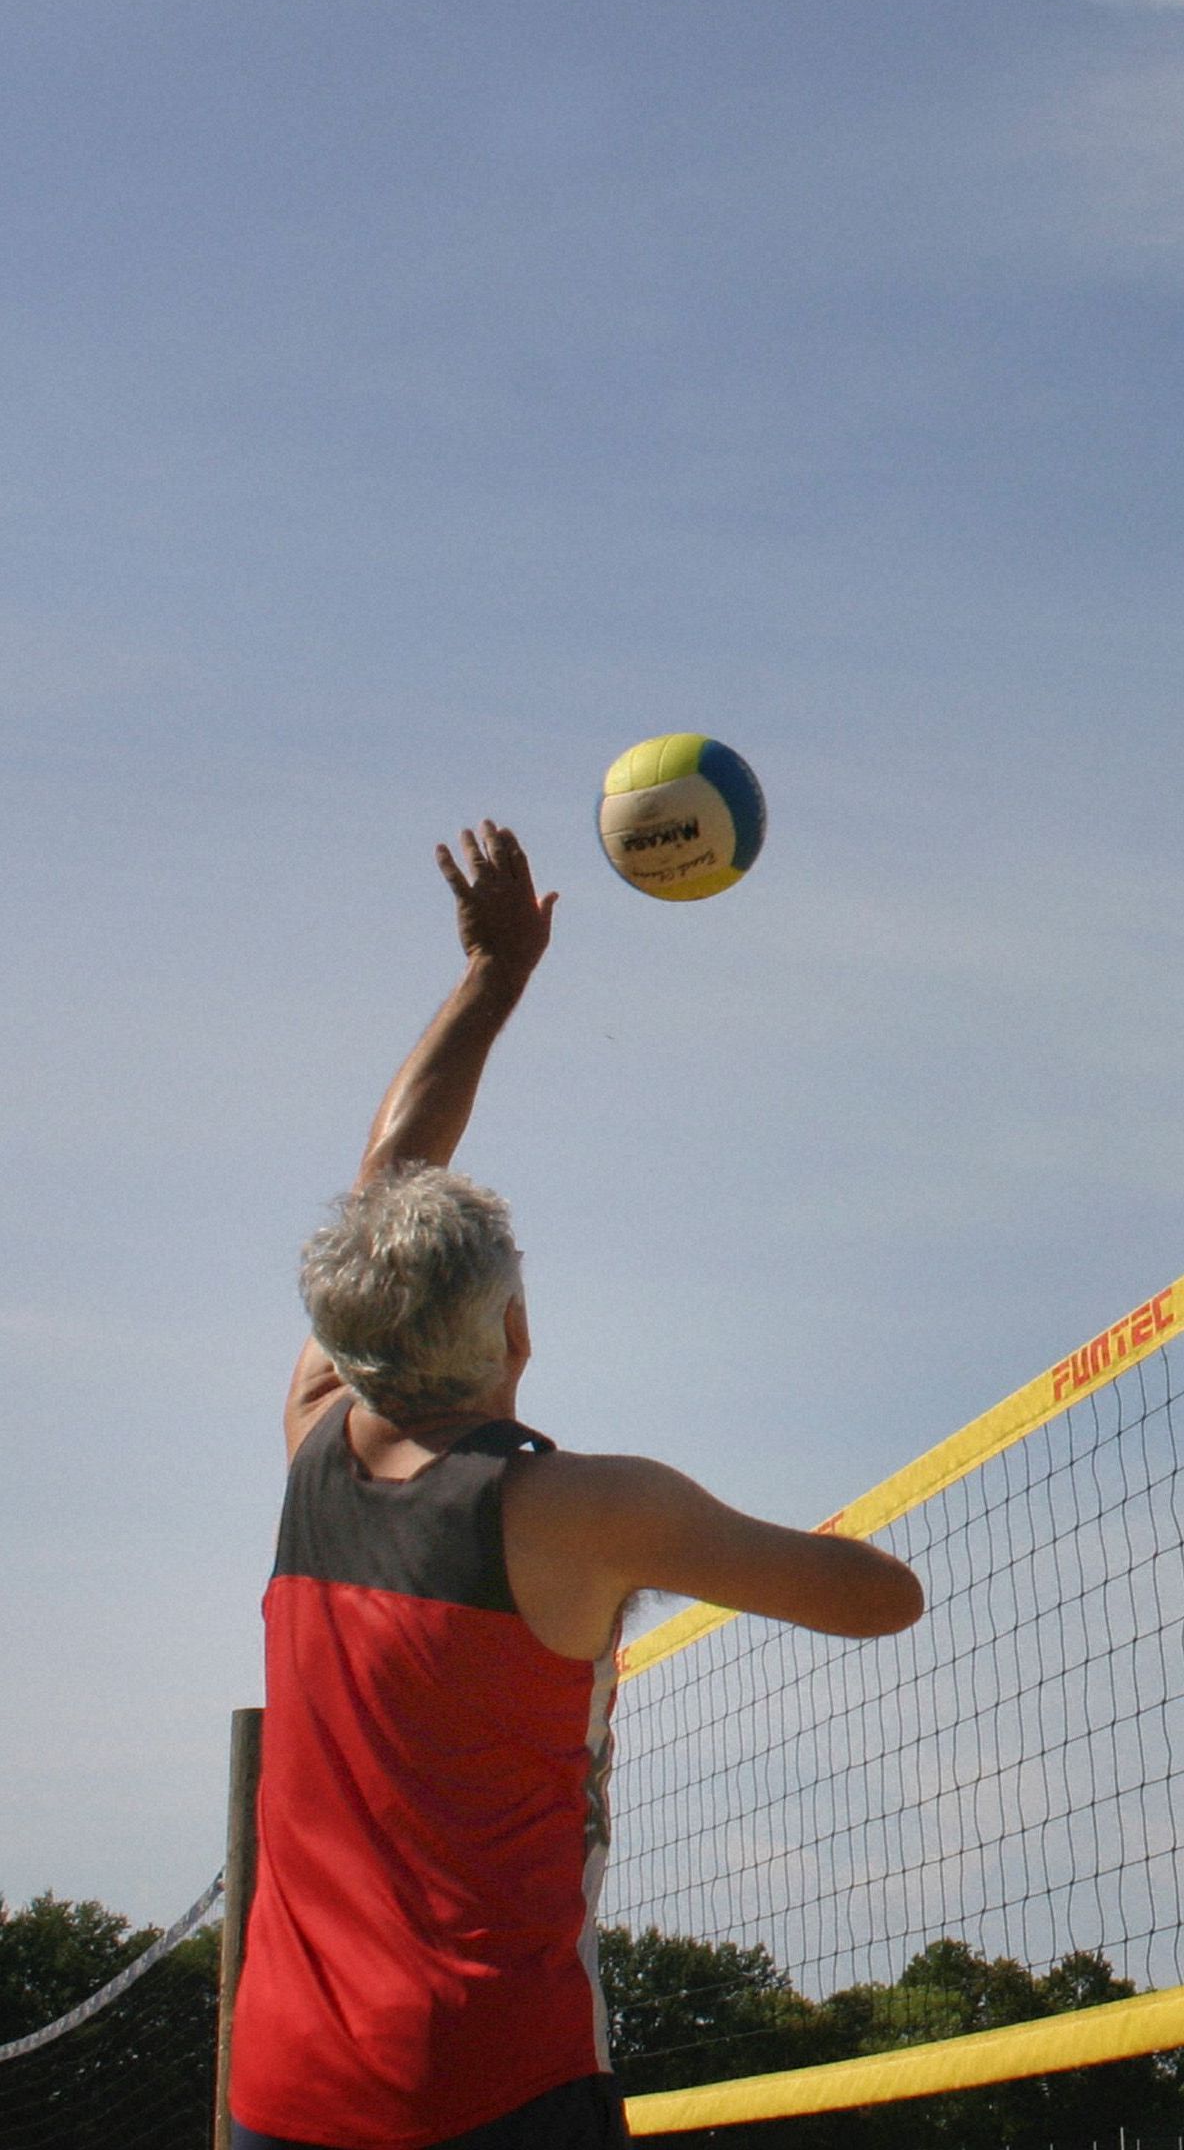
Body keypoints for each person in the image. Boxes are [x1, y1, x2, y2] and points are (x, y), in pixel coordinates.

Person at [230, 824, 926, 2150]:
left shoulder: (312, 1432)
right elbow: (882, 1601)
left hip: (285, 2091)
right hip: (494, 2085)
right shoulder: (589, 1512)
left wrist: (490, 987)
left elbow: (387, 1181)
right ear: (515, 1338)